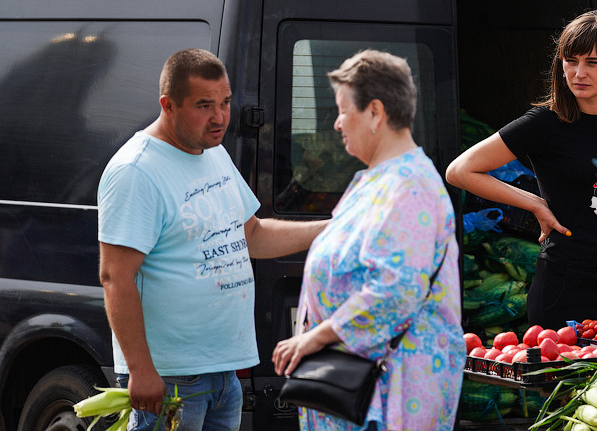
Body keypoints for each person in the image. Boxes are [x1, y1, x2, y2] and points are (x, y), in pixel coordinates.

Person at [98, 48, 328, 431]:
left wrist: (333, 228)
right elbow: (115, 277)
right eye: (204, 106)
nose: (220, 117)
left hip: (224, 372)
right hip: (170, 377)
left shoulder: (212, 151)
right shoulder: (136, 171)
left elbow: (253, 235)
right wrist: (140, 370)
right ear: (168, 105)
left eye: (225, 102)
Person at [271, 50, 464, 431]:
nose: (337, 123)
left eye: (343, 111)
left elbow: (396, 289)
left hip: (391, 395)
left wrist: (315, 338)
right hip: (363, 392)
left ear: (375, 112)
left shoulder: (410, 186)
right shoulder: (379, 178)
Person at [446, 10, 597, 331]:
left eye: (592, 62)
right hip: (568, 284)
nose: (579, 73)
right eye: (570, 61)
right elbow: (460, 170)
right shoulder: (544, 123)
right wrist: (534, 203)